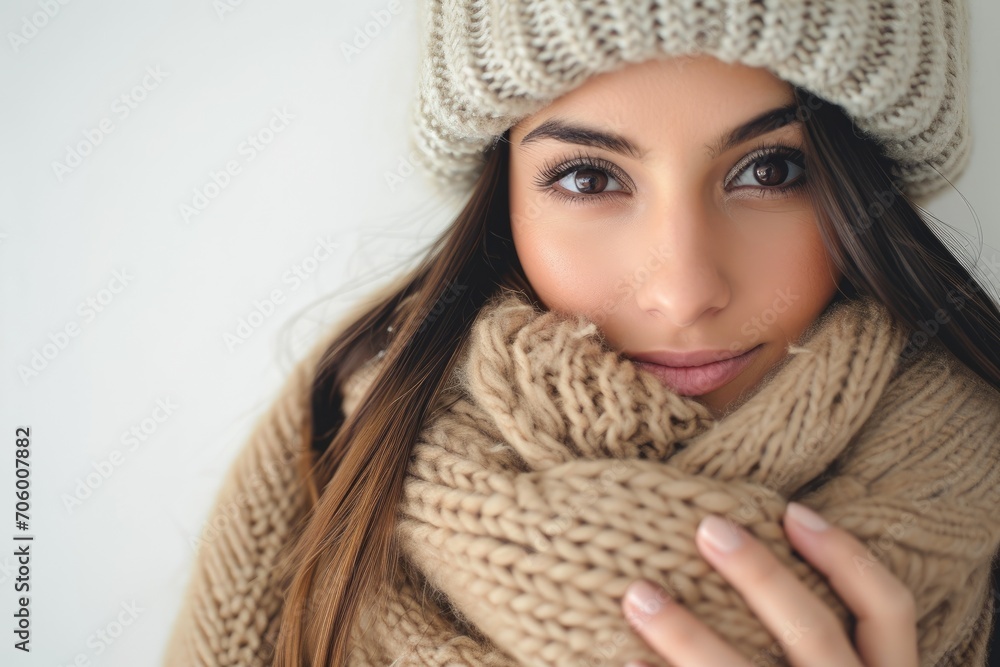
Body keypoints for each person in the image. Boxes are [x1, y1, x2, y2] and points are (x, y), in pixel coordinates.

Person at [162, 1, 1000, 666]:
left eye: (770, 170)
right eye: (589, 176)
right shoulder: (335, 474)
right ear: (505, 201)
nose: (681, 291)